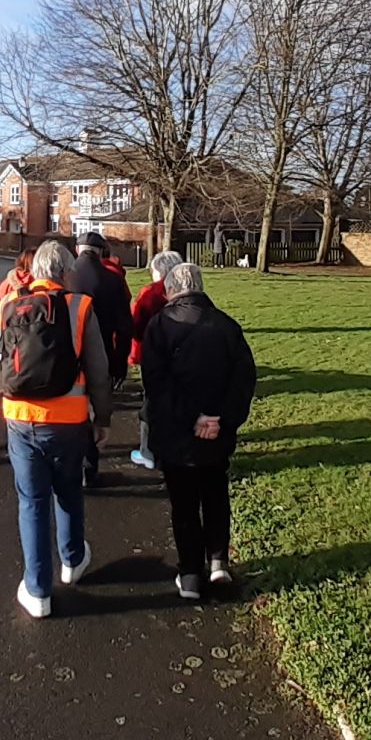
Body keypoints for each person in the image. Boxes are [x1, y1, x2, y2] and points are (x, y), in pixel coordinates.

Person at [0, 239, 113, 618]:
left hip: (19, 416)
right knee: (68, 491)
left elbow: (4, 362)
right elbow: (98, 370)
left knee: (31, 502)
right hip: (67, 419)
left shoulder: (10, 305)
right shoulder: (80, 307)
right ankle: (73, 560)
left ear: (35, 272)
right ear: (65, 271)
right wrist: (104, 419)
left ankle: (37, 591)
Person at [140, 263, 257, 600]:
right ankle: (219, 561)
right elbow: (244, 380)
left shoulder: (159, 327)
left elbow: (157, 385)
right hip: (217, 434)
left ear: (169, 291)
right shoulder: (227, 326)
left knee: (184, 504)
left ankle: (191, 573)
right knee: (216, 493)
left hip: (176, 434)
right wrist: (221, 418)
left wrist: (192, 418)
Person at [67, 230, 132, 486]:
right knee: (95, 412)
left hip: (68, 353)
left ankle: (69, 464)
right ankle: (89, 468)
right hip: (102, 352)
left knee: (71, 410)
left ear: (77, 250)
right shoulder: (112, 280)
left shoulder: (66, 277)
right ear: (101, 252)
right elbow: (125, 328)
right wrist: (120, 363)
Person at [127, 250, 183, 470]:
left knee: (151, 403)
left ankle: (147, 451)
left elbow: (137, 325)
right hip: (182, 356)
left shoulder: (150, 293)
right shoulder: (188, 292)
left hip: (152, 357)